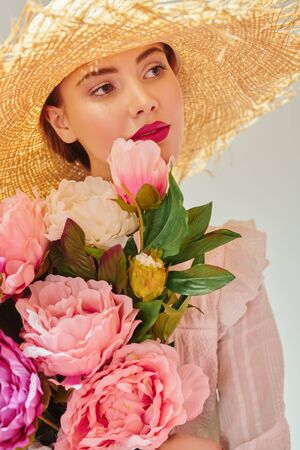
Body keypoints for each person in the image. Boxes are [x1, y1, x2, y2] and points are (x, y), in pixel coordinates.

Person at [0, 1, 299, 449]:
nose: (144, 101)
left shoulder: (226, 267)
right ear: (60, 121)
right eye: (103, 87)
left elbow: (265, 440)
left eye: (154, 69)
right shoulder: (19, 264)